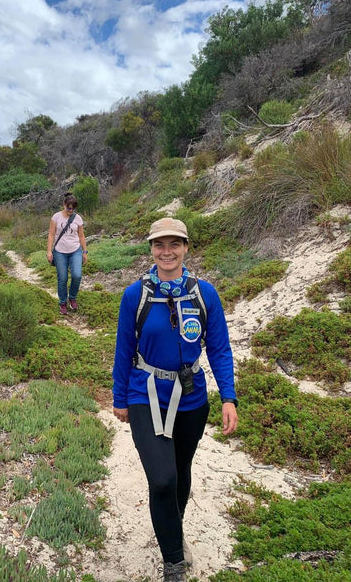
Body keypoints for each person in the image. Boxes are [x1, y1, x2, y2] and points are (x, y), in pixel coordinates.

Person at [112, 218, 238, 582]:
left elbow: (218, 348)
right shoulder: (135, 294)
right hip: (144, 394)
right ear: (150, 249)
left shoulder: (204, 293)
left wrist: (228, 397)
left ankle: (172, 532)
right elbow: (123, 349)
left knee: (181, 473)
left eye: (174, 244)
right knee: (163, 479)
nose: (166, 252)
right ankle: (173, 562)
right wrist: (120, 397)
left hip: (191, 396)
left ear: (186, 247)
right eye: (159, 245)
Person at [47, 192, 88, 315]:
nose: (71, 210)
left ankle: (73, 297)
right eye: (69, 208)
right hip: (60, 252)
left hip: (75, 250)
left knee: (77, 275)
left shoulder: (78, 218)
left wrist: (84, 251)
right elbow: (51, 234)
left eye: (73, 208)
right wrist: (49, 251)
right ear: (64, 205)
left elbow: (81, 236)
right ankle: (63, 303)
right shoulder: (56, 217)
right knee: (62, 278)